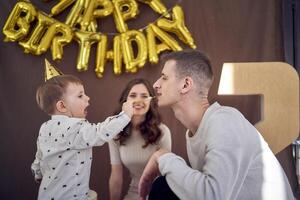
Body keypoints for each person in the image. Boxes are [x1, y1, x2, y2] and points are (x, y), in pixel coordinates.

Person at [138, 49, 295, 200]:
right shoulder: (196, 131)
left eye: (164, 77)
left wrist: (163, 157)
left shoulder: (225, 122)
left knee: (164, 187)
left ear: (185, 85)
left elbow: (212, 196)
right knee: (168, 186)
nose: (156, 84)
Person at [31, 74, 134, 200]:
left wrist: (37, 173)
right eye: (80, 96)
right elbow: (100, 132)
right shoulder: (75, 127)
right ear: (62, 106)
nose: (88, 98)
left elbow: (39, 157)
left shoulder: (45, 127)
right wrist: (125, 116)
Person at [108, 78, 172, 200]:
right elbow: (116, 176)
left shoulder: (162, 132)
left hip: (159, 195)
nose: (138, 100)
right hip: (134, 194)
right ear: (125, 101)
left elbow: (167, 177)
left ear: (151, 102)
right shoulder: (116, 133)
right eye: (133, 95)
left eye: (144, 96)